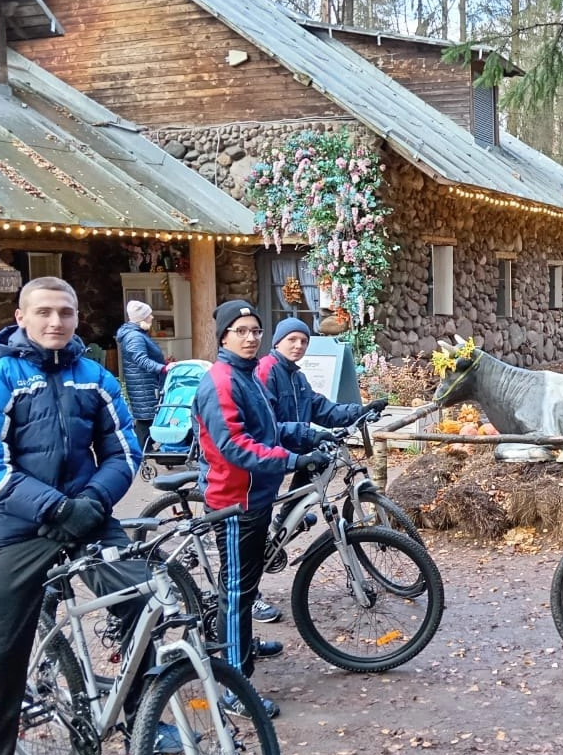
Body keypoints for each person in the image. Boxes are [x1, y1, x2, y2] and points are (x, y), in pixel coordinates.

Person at [0, 277, 145, 755]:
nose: (55, 322)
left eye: (65, 312)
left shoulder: (96, 378)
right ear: (21, 317)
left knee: (142, 598)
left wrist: (93, 502)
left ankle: (143, 716)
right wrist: (55, 507)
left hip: (86, 516)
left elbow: (124, 449)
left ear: (77, 316)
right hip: (15, 530)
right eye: (43, 312)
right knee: (0, 659)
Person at [192, 300, 327, 718]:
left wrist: (309, 435)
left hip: (257, 496)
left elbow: (270, 429)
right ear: (224, 337)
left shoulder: (247, 375)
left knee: (246, 586)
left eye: (255, 330)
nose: (250, 338)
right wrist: (291, 459)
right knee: (236, 592)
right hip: (236, 502)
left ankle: (243, 646)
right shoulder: (221, 382)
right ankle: (234, 688)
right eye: (241, 331)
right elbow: (234, 446)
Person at [250, 316, 387, 623]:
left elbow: (322, 408)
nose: (298, 345)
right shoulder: (266, 370)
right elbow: (268, 424)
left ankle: (285, 520)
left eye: (303, 341)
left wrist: (360, 410)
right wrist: (310, 434)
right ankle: (251, 595)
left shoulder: (297, 377)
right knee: (254, 528)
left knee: (317, 468)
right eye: (292, 340)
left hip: (292, 450)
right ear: (277, 342)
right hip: (268, 455)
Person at [115, 299, 168, 453]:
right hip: (143, 384)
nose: (152, 317)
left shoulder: (137, 334)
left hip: (144, 382)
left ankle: (145, 449)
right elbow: (141, 360)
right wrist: (163, 368)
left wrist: (163, 363)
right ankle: (141, 451)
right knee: (146, 418)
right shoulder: (134, 336)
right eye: (149, 315)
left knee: (147, 416)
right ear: (141, 318)